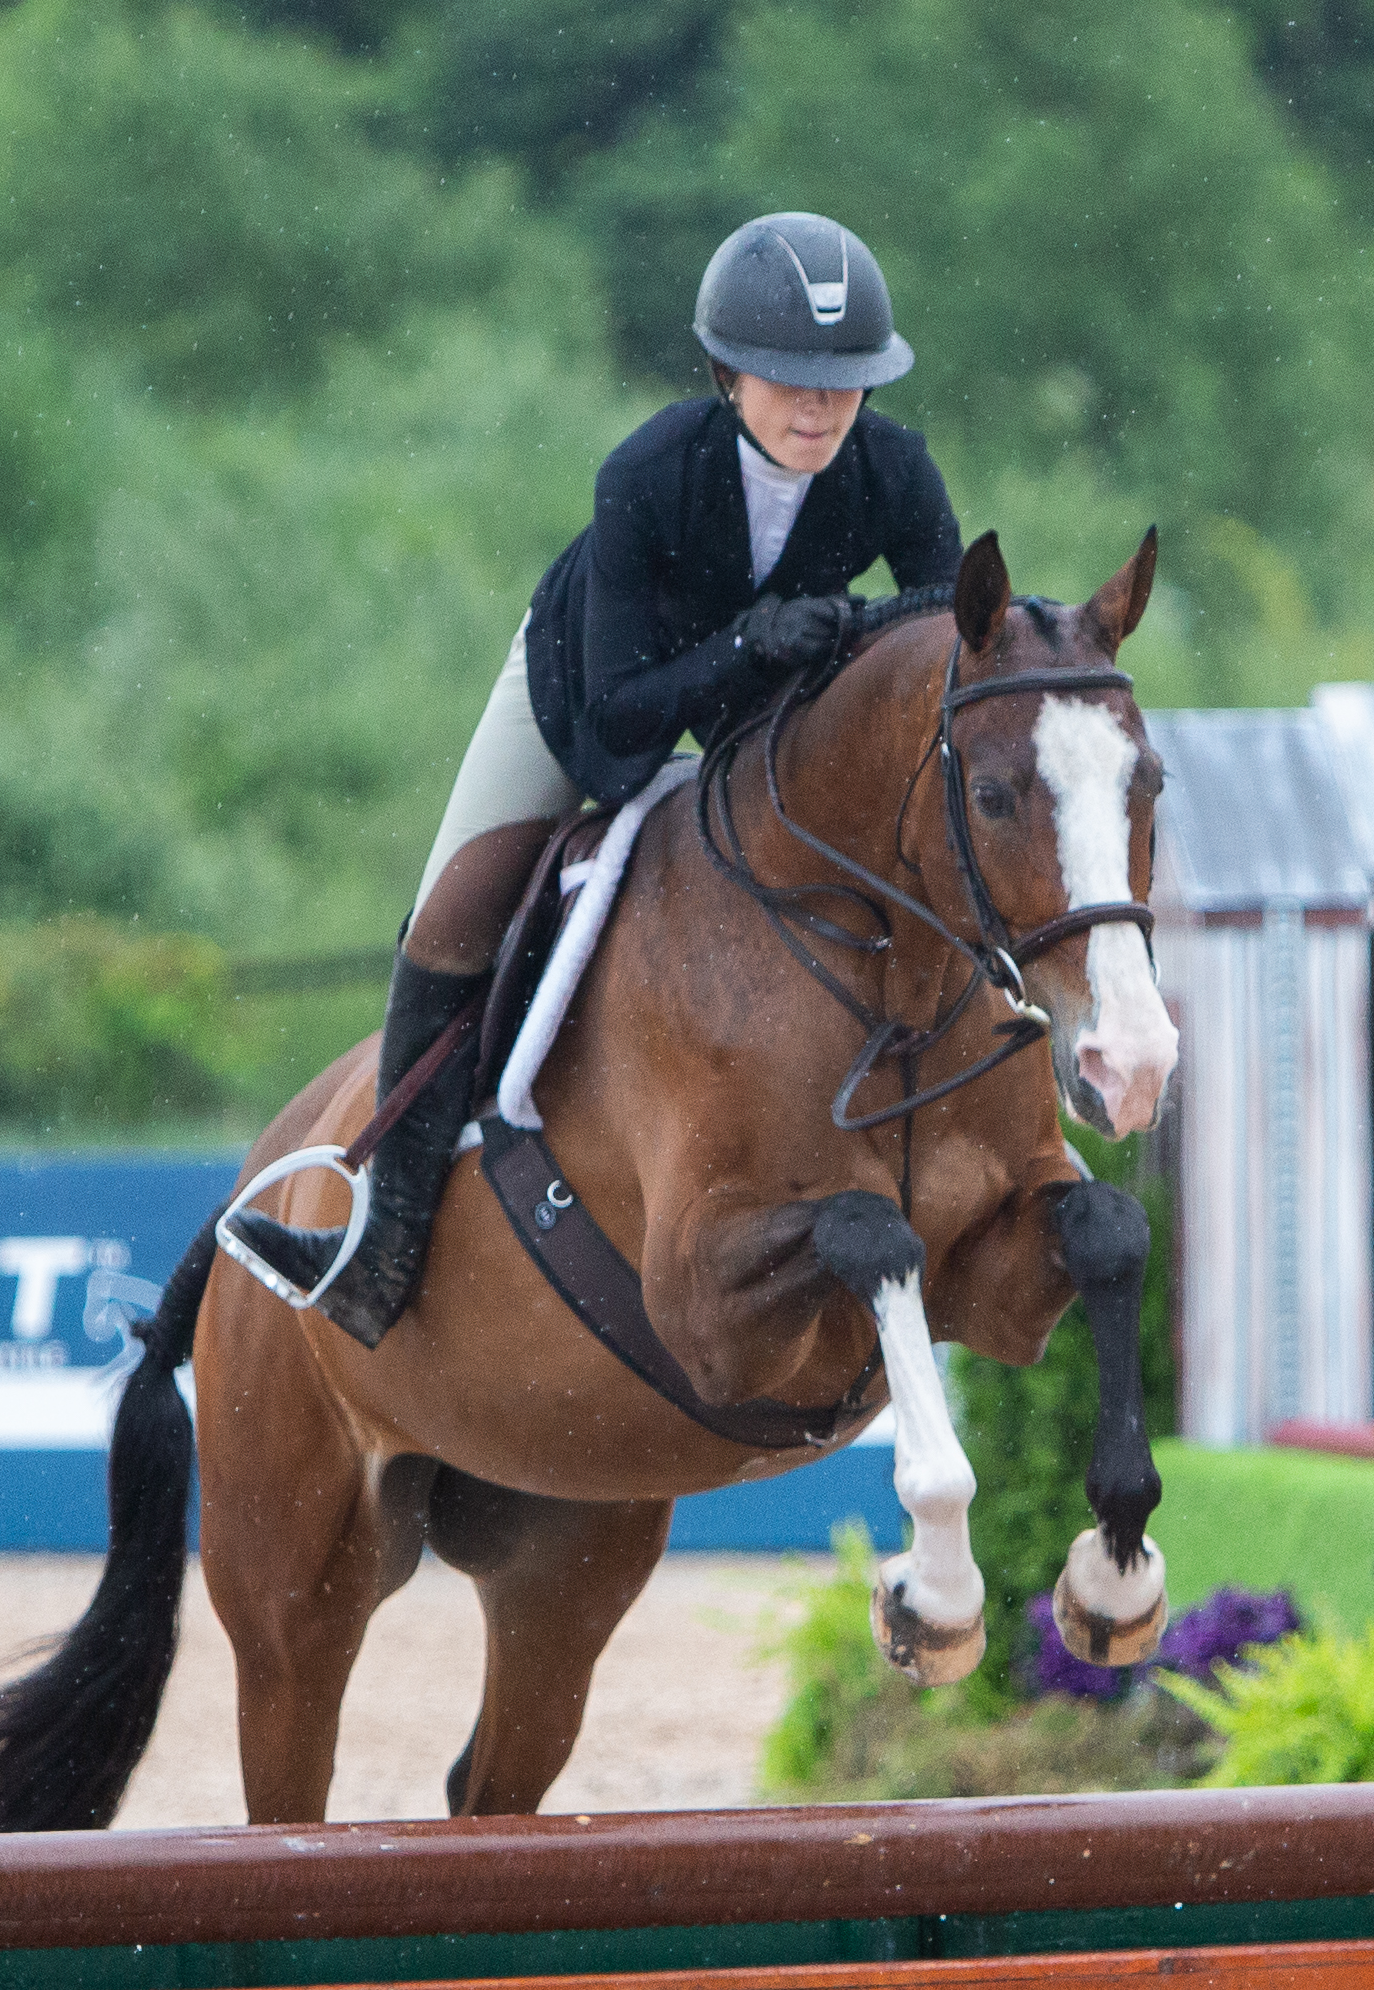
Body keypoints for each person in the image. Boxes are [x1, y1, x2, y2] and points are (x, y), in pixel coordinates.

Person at [228, 209, 967, 1346]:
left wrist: (850, 629)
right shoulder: (646, 474)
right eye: (790, 381)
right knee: (456, 914)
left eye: (846, 382)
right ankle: (379, 1244)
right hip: (587, 693)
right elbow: (626, 706)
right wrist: (749, 645)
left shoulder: (893, 472)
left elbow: (954, 631)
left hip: (765, 723)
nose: (821, 407)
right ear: (729, 375)